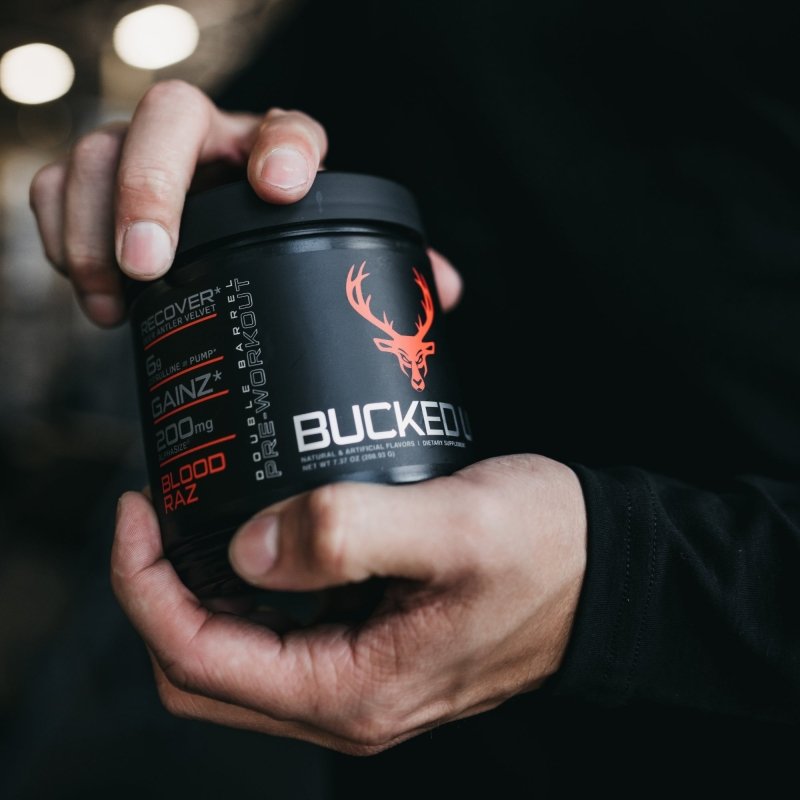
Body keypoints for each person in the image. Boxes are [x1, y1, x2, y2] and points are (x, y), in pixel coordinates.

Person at [28, 1, 800, 795]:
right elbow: (288, 128)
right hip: (363, 693)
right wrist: (195, 167)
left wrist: (616, 582)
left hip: (725, 743)